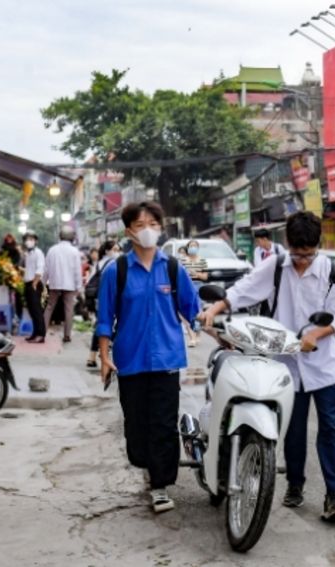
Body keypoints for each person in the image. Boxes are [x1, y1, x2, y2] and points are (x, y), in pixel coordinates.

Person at [199, 212, 335, 523]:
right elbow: (243, 289)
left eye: (308, 255)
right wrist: (214, 308)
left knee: (329, 430)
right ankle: (295, 486)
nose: (302, 261)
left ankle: (334, 496)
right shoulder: (276, 266)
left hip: (323, 367)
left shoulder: (332, 272)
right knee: (292, 431)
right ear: (287, 244)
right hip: (284, 366)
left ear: (317, 247)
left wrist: (315, 334)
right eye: (297, 254)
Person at [98, 201, 200, 514]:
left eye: (154, 224)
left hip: (167, 359)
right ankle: (147, 465)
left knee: (163, 425)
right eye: (142, 224)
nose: (149, 230)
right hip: (130, 360)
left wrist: (217, 329)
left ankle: (160, 485)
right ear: (129, 230)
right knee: (137, 429)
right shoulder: (116, 271)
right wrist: (104, 357)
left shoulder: (172, 268)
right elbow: (104, 319)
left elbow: (192, 309)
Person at [43, 226, 84, 343]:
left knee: (49, 307)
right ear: (72, 237)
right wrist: (79, 286)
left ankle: (43, 332)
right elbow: (77, 270)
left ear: (60, 236)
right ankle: (67, 335)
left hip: (55, 283)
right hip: (69, 284)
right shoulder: (74, 251)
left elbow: (46, 268)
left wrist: (43, 282)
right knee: (69, 309)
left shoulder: (52, 250)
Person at [85, 240, 120, 368]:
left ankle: (92, 355)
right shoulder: (113, 263)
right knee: (110, 326)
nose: (117, 253)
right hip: (109, 299)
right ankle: (104, 354)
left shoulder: (99, 263)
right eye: (114, 250)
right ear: (107, 250)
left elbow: (90, 280)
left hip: (100, 299)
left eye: (118, 250)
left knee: (101, 325)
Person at [178, 242, 207, 348]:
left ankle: (198, 333)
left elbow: (205, 277)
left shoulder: (202, 260)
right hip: (186, 287)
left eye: (195, 246)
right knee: (186, 313)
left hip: (199, 286)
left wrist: (197, 274)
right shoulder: (182, 261)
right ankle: (192, 337)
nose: (192, 248)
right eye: (191, 246)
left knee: (198, 312)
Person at [22, 232, 47, 344]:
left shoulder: (38, 253)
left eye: (31, 239)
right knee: (32, 310)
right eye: (27, 239)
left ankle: (41, 334)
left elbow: (40, 268)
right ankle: (35, 333)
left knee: (37, 310)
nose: (29, 241)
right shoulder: (28, 254)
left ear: (35, 240)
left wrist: (35, 282)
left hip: (34, 283)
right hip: (28, 283)